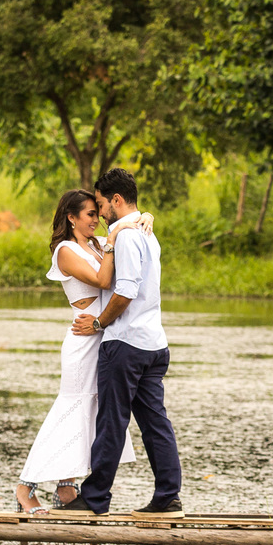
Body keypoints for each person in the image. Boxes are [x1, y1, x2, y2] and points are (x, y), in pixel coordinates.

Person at [14, 188, 151, 514]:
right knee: (72, 408)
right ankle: (25, 485)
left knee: (92, 411)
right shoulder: (64, 251)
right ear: (71, 217)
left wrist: (142, 218)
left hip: (101, 333)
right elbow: (105, 280)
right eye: (90, 214)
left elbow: (126, 252)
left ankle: (66, 486)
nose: (97, 219)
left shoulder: (94, 244)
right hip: (82, 337)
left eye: (97, 212)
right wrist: (116, 236)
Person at [63, 167, 183, 515]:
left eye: (101, 204)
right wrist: (138, 218)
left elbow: (126, 290)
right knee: (155, 423)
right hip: (154, 344)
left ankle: (95, 499)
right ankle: (168, 498)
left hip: (126, 344)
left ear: (116, 200)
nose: (99, 213)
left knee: (111, 421)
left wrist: (99, 322)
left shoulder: (129, 236)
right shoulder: (145, 233)